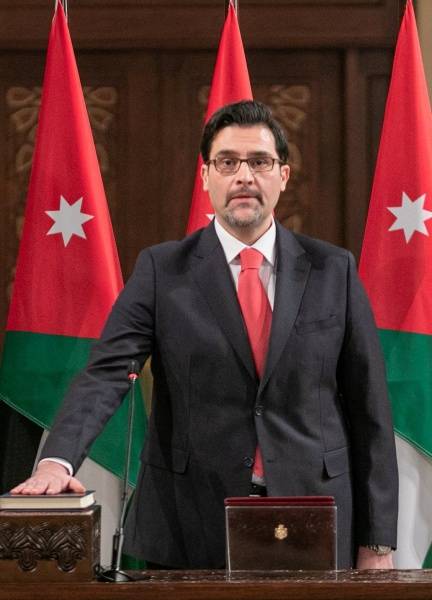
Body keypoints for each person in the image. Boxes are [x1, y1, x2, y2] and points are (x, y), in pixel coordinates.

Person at [12, 100, 398, 570]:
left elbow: (369, 409)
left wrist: (377, 542)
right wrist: (57, 461)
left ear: (283, 176)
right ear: (205, 176)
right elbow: (107, 373)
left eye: (259, 162)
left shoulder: (333, 270)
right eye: (227, 162)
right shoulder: (162, 270)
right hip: (189, 520)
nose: (244, 176)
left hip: (316, 515)